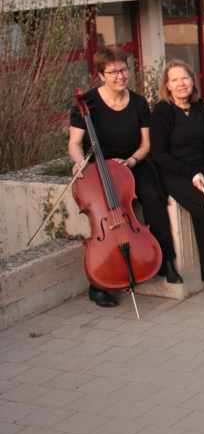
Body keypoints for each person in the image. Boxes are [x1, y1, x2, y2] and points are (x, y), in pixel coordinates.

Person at [68, 46, 183, 307]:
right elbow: (74, 143)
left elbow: (146, 144)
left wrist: (131, 161)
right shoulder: (86, 103)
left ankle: (166, 261)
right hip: (98, 167)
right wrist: (80, 163)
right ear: (100, 75)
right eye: (114, 71)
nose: (121, 76)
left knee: (154, 197)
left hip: (131, 163)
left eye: (124, 69)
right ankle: (98, 283)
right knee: (103, 212)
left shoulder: (139, 102)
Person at [149, 60, 204, 286]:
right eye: (175, 80)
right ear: (167, 85)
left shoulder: (198, 107)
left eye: (185, 78)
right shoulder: (162, 111)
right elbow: (159, 154)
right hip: (177, 171)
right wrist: (191, 173)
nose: (181, 84)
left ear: (192, 81)